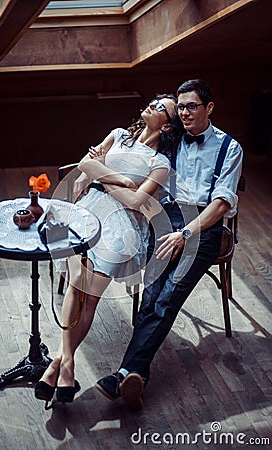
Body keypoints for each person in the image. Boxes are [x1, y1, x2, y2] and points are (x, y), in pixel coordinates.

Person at [96, 79, 243, 410]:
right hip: (164, 223)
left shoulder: (229, 148)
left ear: (209, 108)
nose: (186, 113)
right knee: (150, 296)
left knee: (166, 298)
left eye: (193, 106)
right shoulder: (171, 141)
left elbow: (221, 205)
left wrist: (185, 234)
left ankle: (124, 373)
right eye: (182, 108)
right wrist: (100, 165)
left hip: (203, 230)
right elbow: (137, 163)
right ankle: (136, 375)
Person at [34, 94, 183, 408]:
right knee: (77, 282)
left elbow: (133, 202)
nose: (153, 104)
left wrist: (101, 174)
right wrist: (121, 179)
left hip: (122, 227)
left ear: (168, 126)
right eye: (156, 100)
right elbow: (84, 163)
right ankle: (66, 365)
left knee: (91, 296)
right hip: (88, 211)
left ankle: (58, 364)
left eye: (161, 107)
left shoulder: (160, 164)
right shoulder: (118, 134)